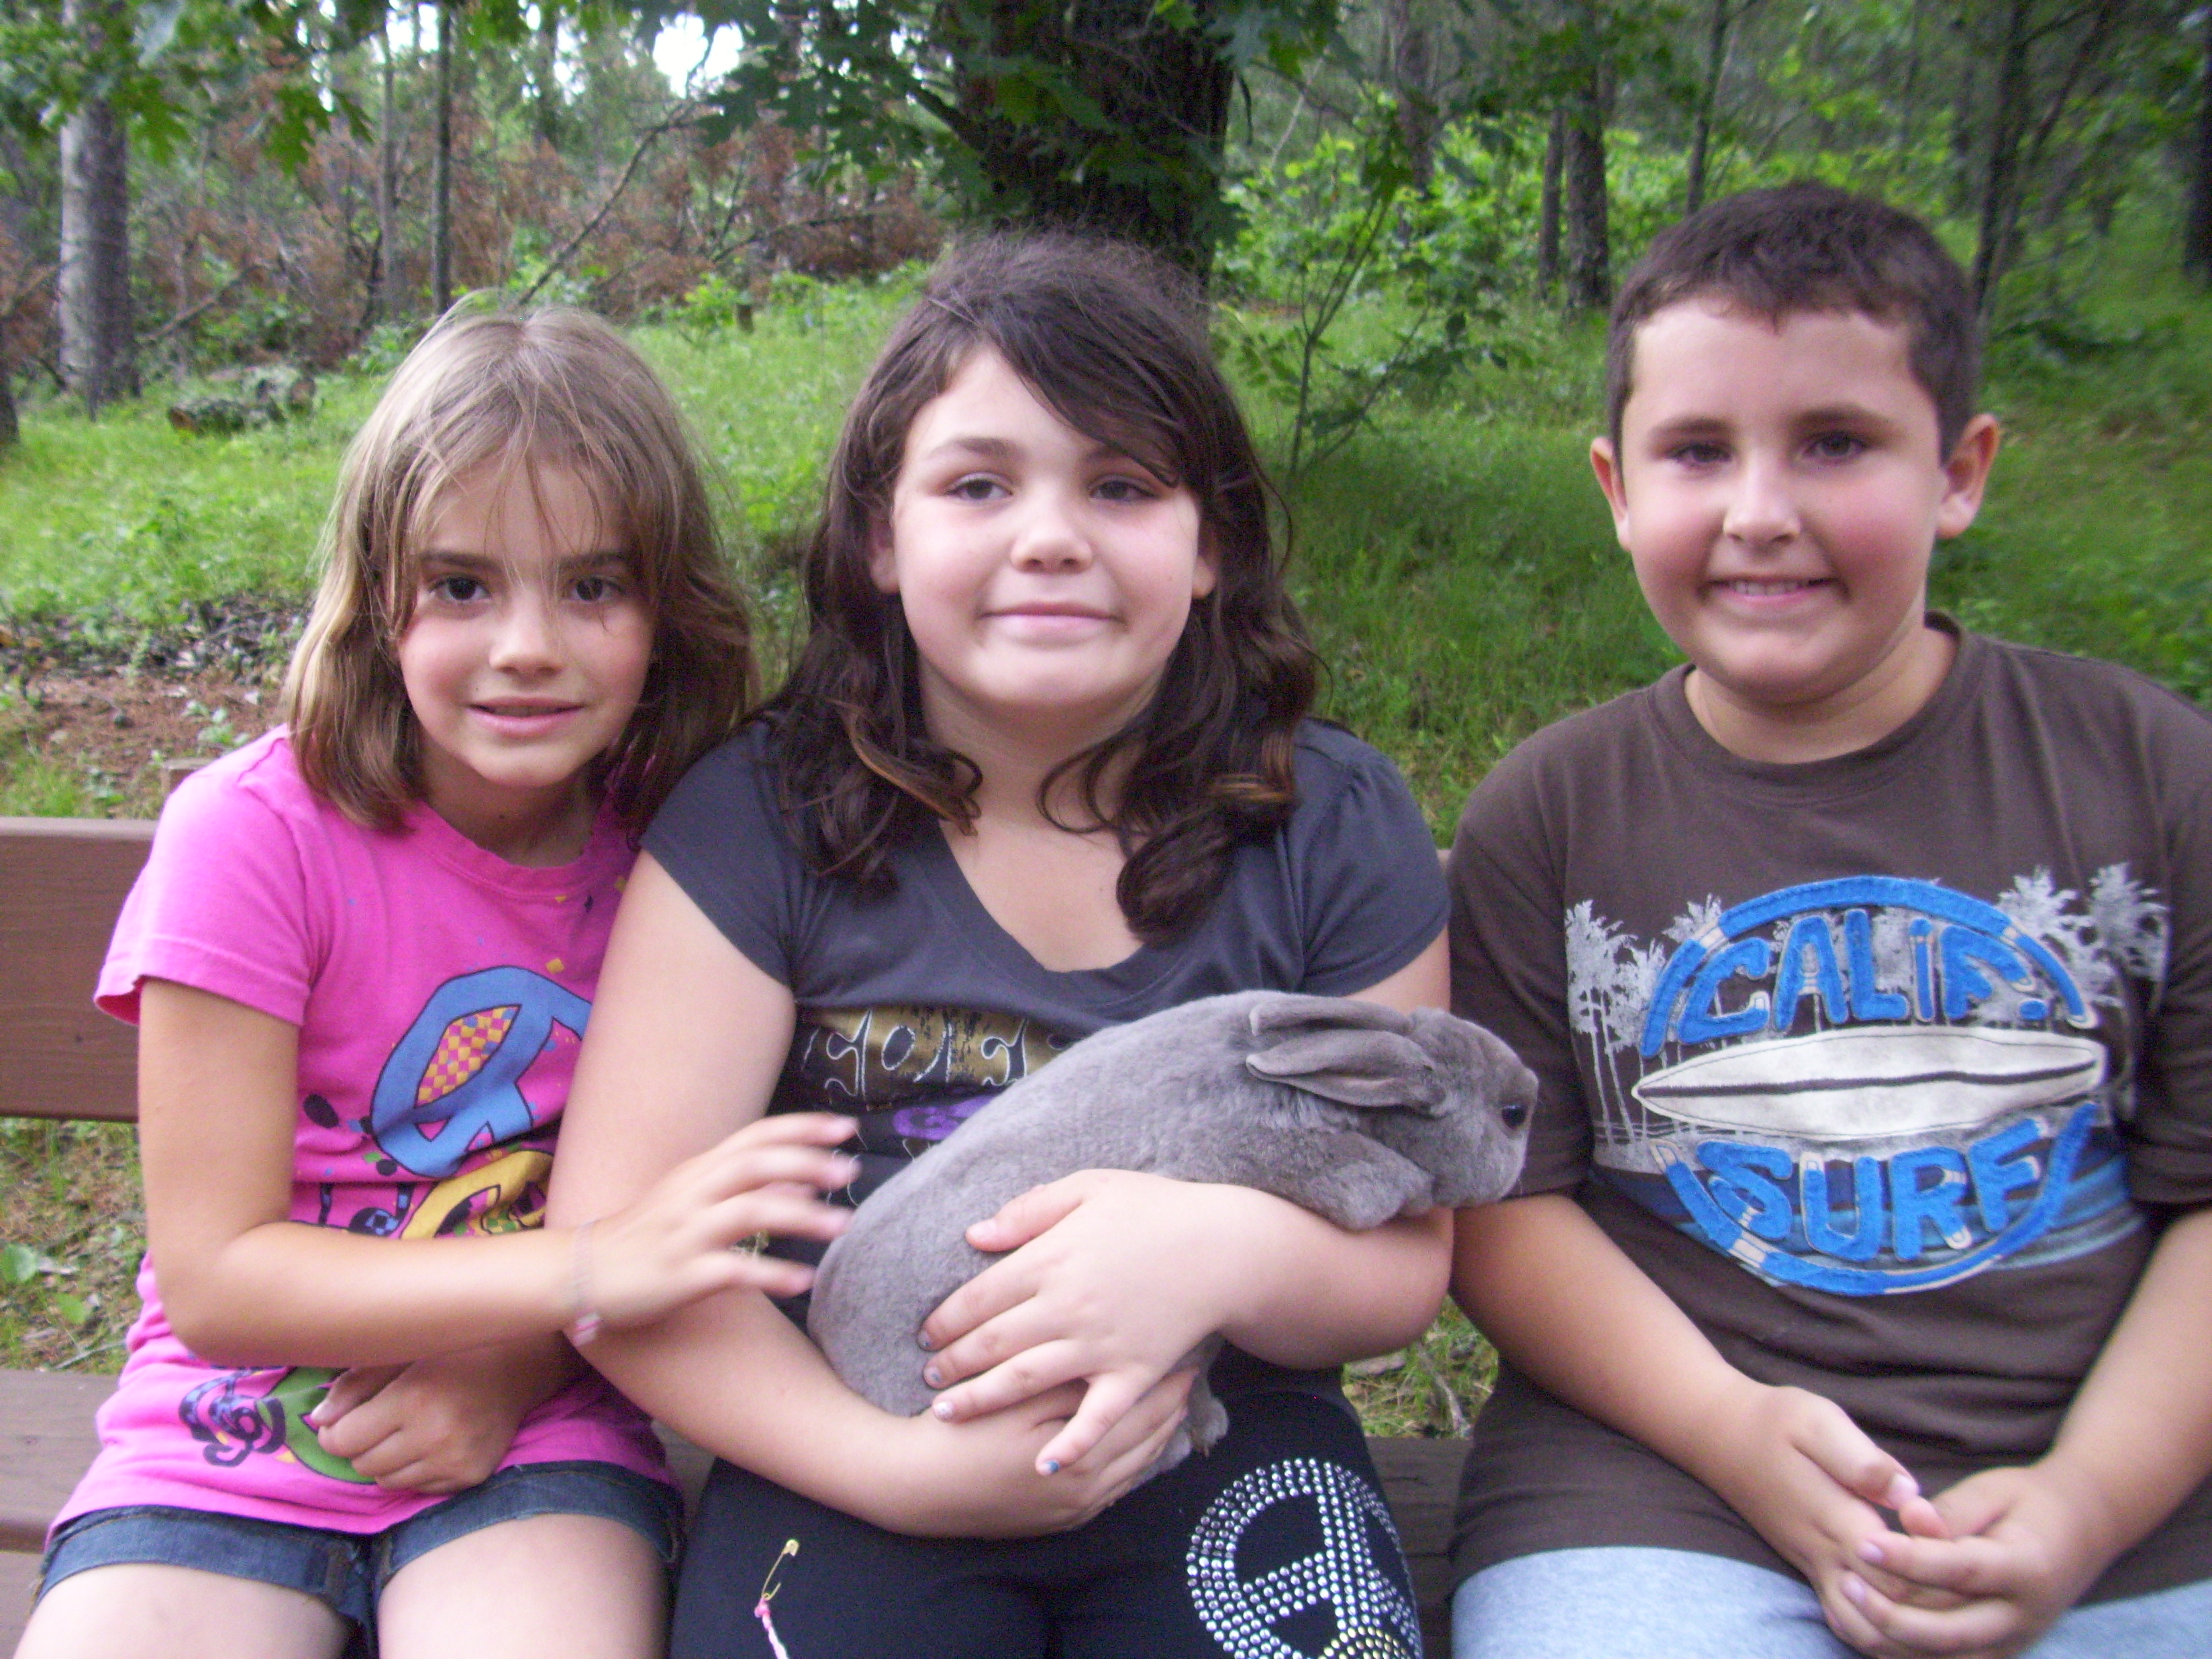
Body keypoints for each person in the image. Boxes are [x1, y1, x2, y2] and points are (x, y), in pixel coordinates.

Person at [544, 234, 1456, 1659]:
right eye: (978, 485)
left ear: (1209, 545)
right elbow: (619, 1259)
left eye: (1121, 486)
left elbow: (1402, 1260)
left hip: (1223, 1426)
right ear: (881, 538)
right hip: (846, 1433)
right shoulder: (760, 821)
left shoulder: (1328, 825)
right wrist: (899, 1475)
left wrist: (1218, 1253)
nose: (1050, 538)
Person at [19, 305, 861, 1659]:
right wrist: (581, 1270)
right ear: (376, 598)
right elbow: (219, 1276)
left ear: (668, 610)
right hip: (218, 1446)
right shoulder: (257, 837)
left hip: (541, 1433)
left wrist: (518, 1360)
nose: (527, 645)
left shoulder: (689, 854)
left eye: (593, 586)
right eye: (462, 586)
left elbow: (695, 1223)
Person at [1446, 181, 2212, 1659]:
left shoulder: (2151, 772)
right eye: (1696, 451)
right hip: (1663, 1483)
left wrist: (2086, 1504)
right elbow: (1503, 1206)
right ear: (1616, 488)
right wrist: (1732, 1434)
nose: (1760, 513)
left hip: (2128, 1493)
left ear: (1960, 470)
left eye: (1837, 443)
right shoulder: (1551, 811)